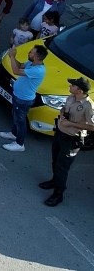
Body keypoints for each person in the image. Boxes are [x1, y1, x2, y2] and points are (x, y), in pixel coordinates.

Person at [40, 77, 94, 206]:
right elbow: (65, 107)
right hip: (60, 133)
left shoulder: (88, 106)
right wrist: (63, 112)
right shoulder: (71, 97)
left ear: (79, 90)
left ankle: (58, 195)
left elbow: (92, 126)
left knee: (62, 167)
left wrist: (71, 123)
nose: (70, 87)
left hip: (71, 140)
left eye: (73, 85)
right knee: (55, 161)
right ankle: (54, 181)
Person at [0, 44, 48, 152]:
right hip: (18, 96)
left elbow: (16, 71)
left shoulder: (38, 70)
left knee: (20, 121)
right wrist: (13, 57)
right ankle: (13, 133)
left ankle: (19, 144)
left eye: (31, 52)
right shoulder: (31, 63)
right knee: (16, 116)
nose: (29, 53)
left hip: (24, 100)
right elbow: (20, 66)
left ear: (37, 57)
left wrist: (12, 56)